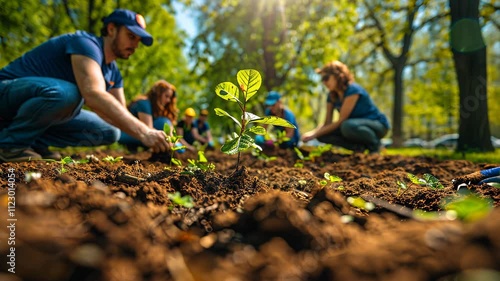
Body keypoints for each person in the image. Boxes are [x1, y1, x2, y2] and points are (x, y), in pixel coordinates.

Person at [0, 8, 172, 162]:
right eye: (131, 36)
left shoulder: (113, 72)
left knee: (110, 131)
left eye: (138, 40)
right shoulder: (85, 44)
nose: (135, 45)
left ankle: (33, 142)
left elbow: (119, 112)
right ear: (111, 29)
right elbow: (93, 93)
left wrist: (152, 136)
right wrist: (144, 132)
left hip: (34, 106)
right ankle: (10, 145)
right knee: (69, 94)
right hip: (7, 93)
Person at [302, 60, 390, 153]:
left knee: (347, 126)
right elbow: (327, 123)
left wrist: (314, 135)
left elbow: (341, 120)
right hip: (354, 126)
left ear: (338, 75)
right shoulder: (332, 95)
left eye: (326, 78)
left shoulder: (353, 90)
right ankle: (359, 148)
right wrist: (313, 133)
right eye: (322, 79)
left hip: (377, 125)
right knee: (322, 135)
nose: (324, 82)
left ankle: (375, 145)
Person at [118, 80, 178, 150]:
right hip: (124, 134)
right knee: (163, 122)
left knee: (164, 121)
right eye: (166, 96)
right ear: (158, 94)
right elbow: (149, 130)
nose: (168, 100)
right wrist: (168, 141)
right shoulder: (144, 103)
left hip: (136, 133)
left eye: (170, 98)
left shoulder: (153, 106)